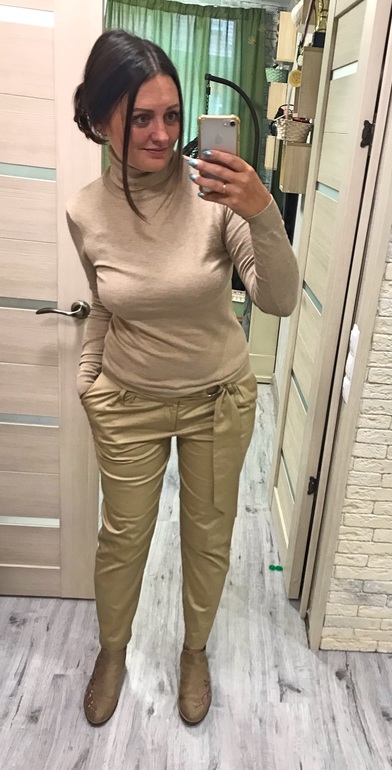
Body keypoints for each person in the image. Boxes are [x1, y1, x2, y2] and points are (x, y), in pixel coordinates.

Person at [67, 29, 299, 727]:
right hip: (127, 402)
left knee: (208, 536)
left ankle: (194, 650)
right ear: (100, 119)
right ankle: (113, 651)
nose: (163, 134)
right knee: (122, 540)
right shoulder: (84, 210)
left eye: (171, 115)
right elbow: (103, 304)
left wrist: (262, 209)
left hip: (217, 402)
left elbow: (279, 299)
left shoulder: (215, 195)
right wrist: (89, 382)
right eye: (141, 117)